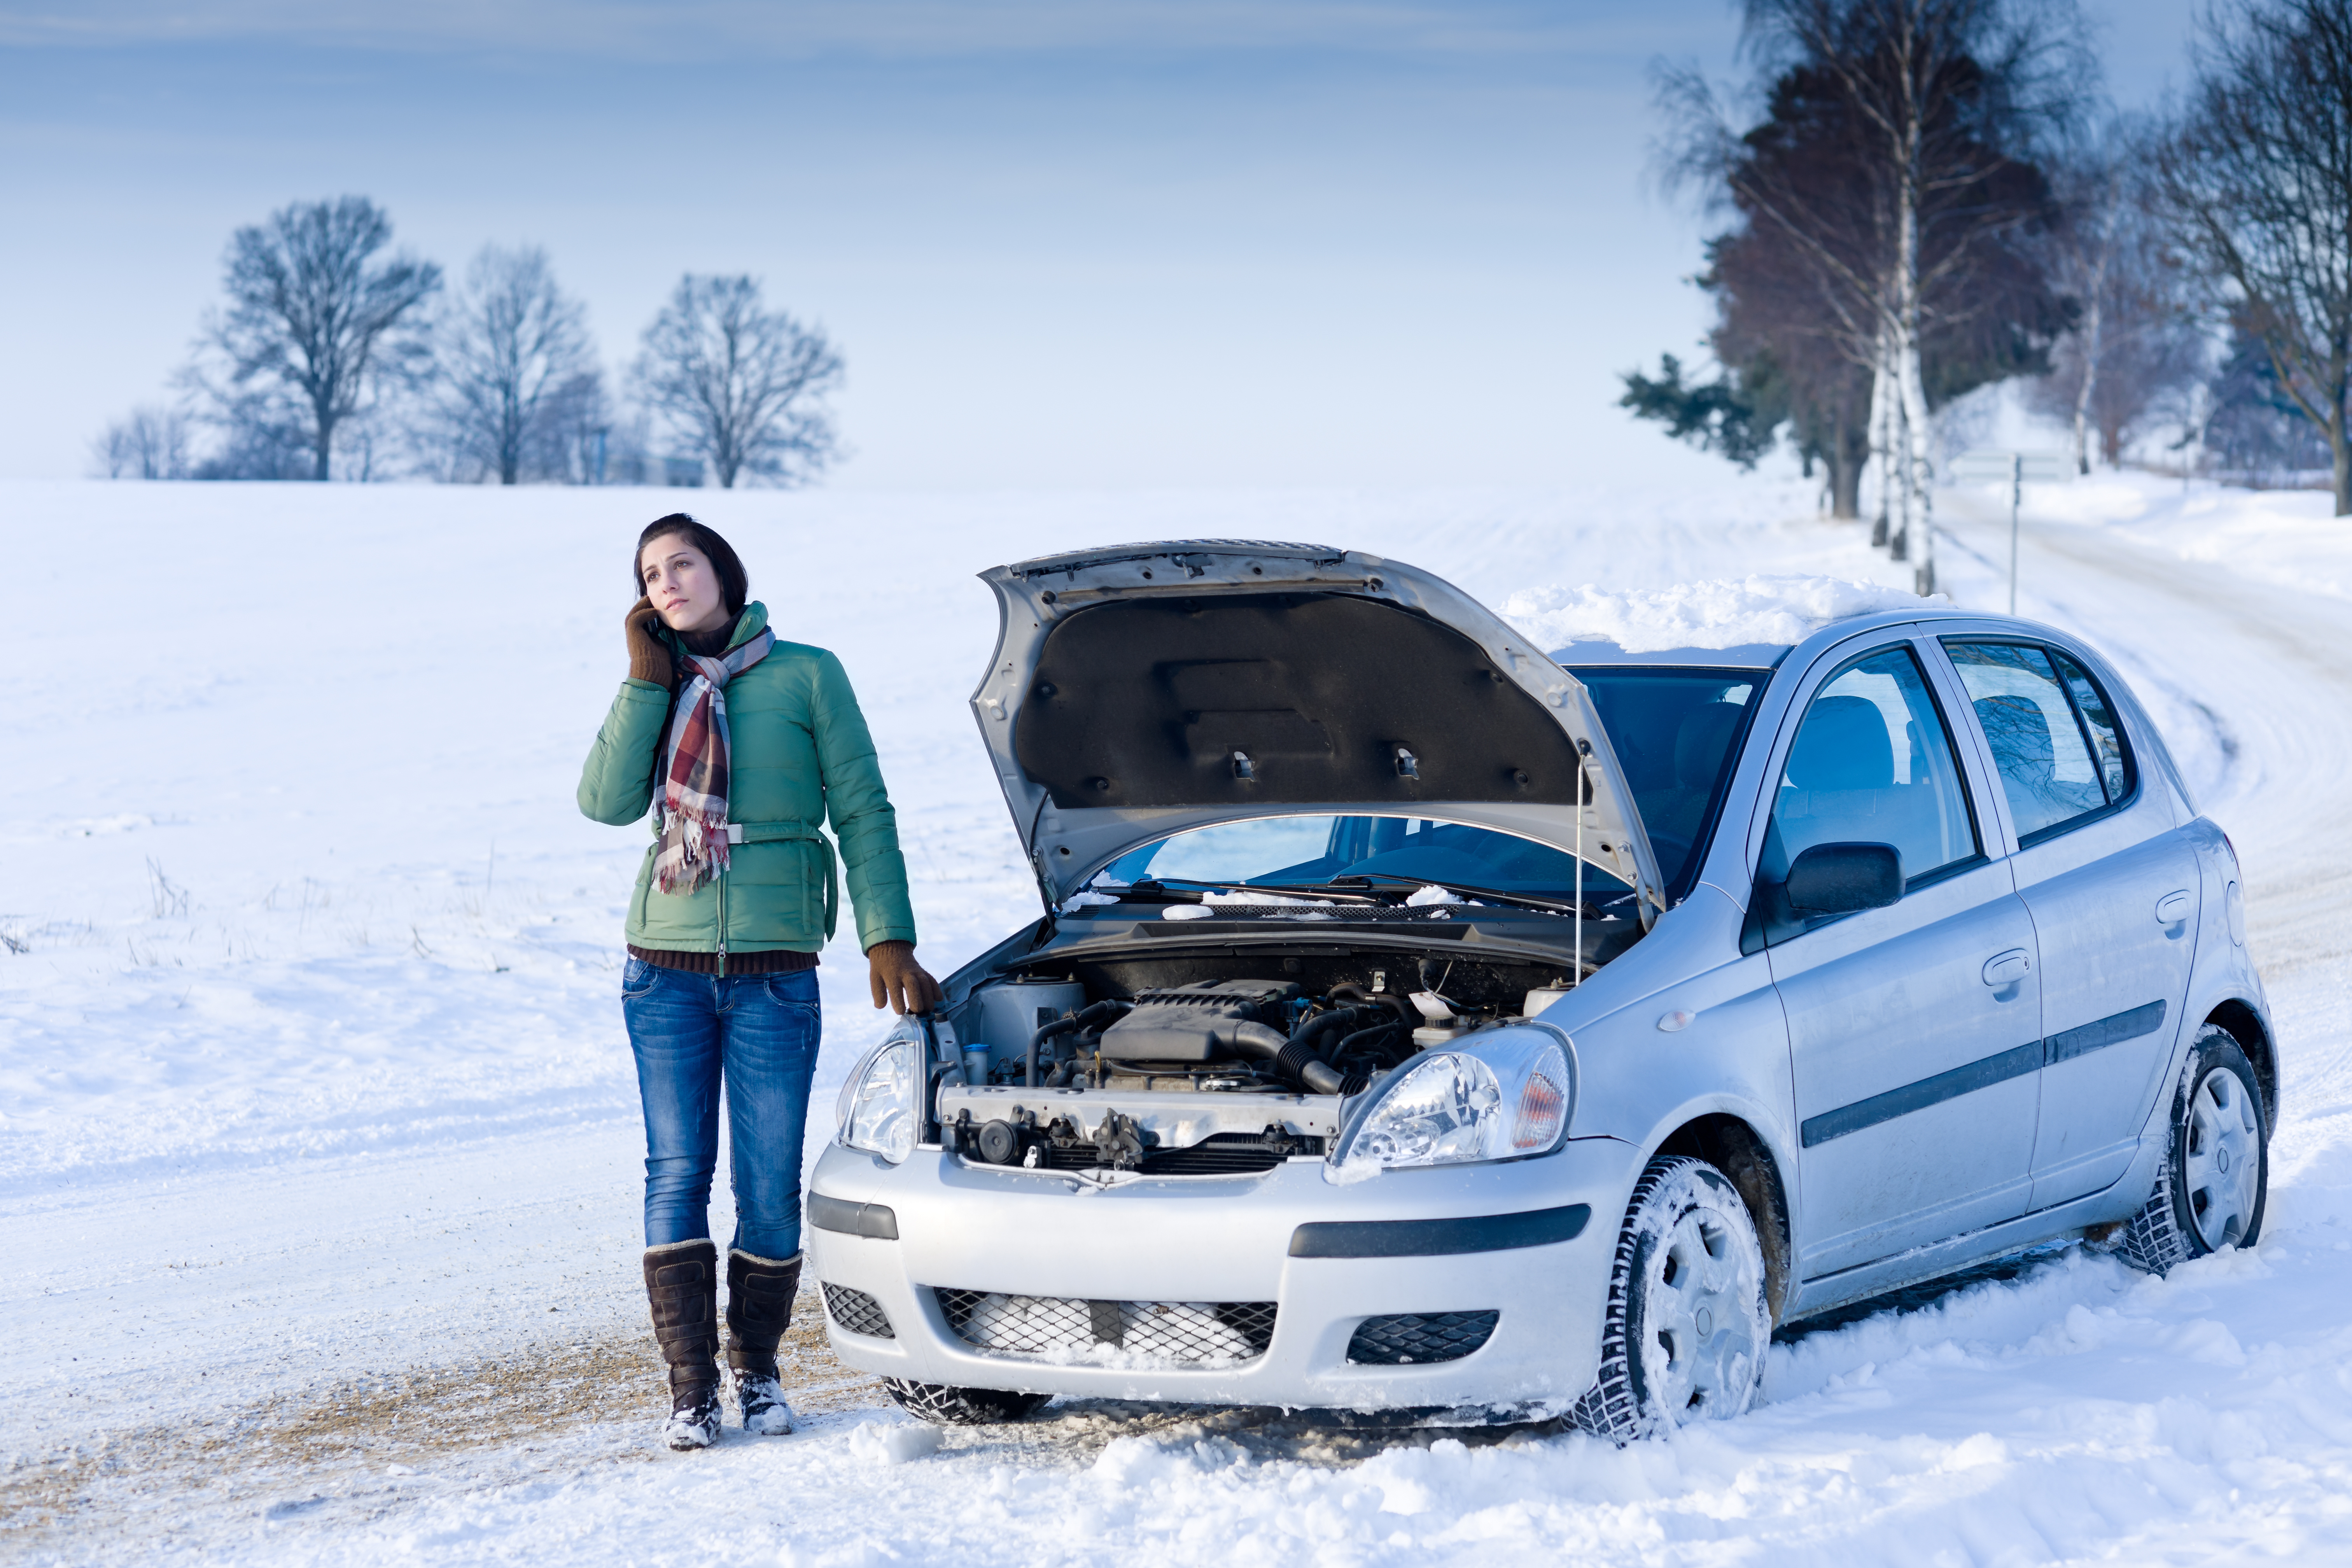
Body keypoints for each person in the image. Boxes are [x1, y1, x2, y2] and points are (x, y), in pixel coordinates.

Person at [578, 513, 941, 1451]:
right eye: (650, 573)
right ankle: (691, 1390)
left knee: (770, 1185)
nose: (667, 582)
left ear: (723, 571)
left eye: (682, 563)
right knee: (675, 1174)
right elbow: (608, 803)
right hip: (663, 969)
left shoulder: (808, 673)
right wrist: (642, 681)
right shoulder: (658, 686)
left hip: (776, 970)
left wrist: (886, 935)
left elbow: (863, 806)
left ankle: (762, 1374)